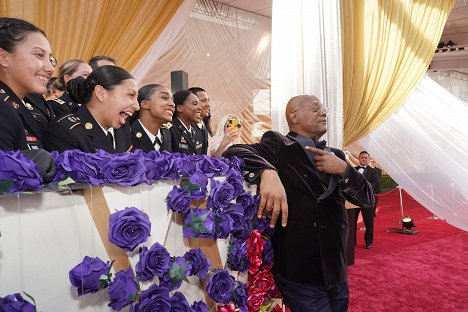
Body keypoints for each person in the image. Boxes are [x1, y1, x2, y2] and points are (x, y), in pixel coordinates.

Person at [223, 95, 375, 312]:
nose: (324, 112)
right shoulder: (278, 144)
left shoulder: (337, 155)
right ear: (294, 116)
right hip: (300, 269)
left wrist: (344, 169)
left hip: (336, 268)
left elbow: (367, 199)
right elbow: (234, 151)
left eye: (324, 108)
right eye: (316, 109)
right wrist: (268, 171)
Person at [43, 65, 138, 153]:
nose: (137, 106)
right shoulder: (64, 132)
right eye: (130, 95)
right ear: (100, 93)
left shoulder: (124, 129)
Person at [0, 17, 56, 151]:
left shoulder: (28, 105)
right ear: (3, 58)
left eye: (51, 59)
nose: (50, 68)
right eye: (39, 55)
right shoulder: (3, 110)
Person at [131, 84, 174, 152]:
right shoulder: (127, 134)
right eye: (164, 98)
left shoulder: (167, 134)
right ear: (145, 104)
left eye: (172, 100)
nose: (172, 104)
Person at [355, 151, 381, 249]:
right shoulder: (354, 170)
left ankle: (368, 242)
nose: (364, 159)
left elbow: (377, 185)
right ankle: (352, 242)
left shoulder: (374, 171)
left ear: (368, 159)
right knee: (352, 221)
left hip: (368, 200)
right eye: (362, 157)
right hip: (354, 200)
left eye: (366, 158)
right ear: (359, 159)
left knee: (369, 222)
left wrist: (365, 185)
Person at [170, 90, 206, 155]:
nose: (200, 108)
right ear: (179, 108)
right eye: (195, 104)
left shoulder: (198, 130)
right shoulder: (170, 130)